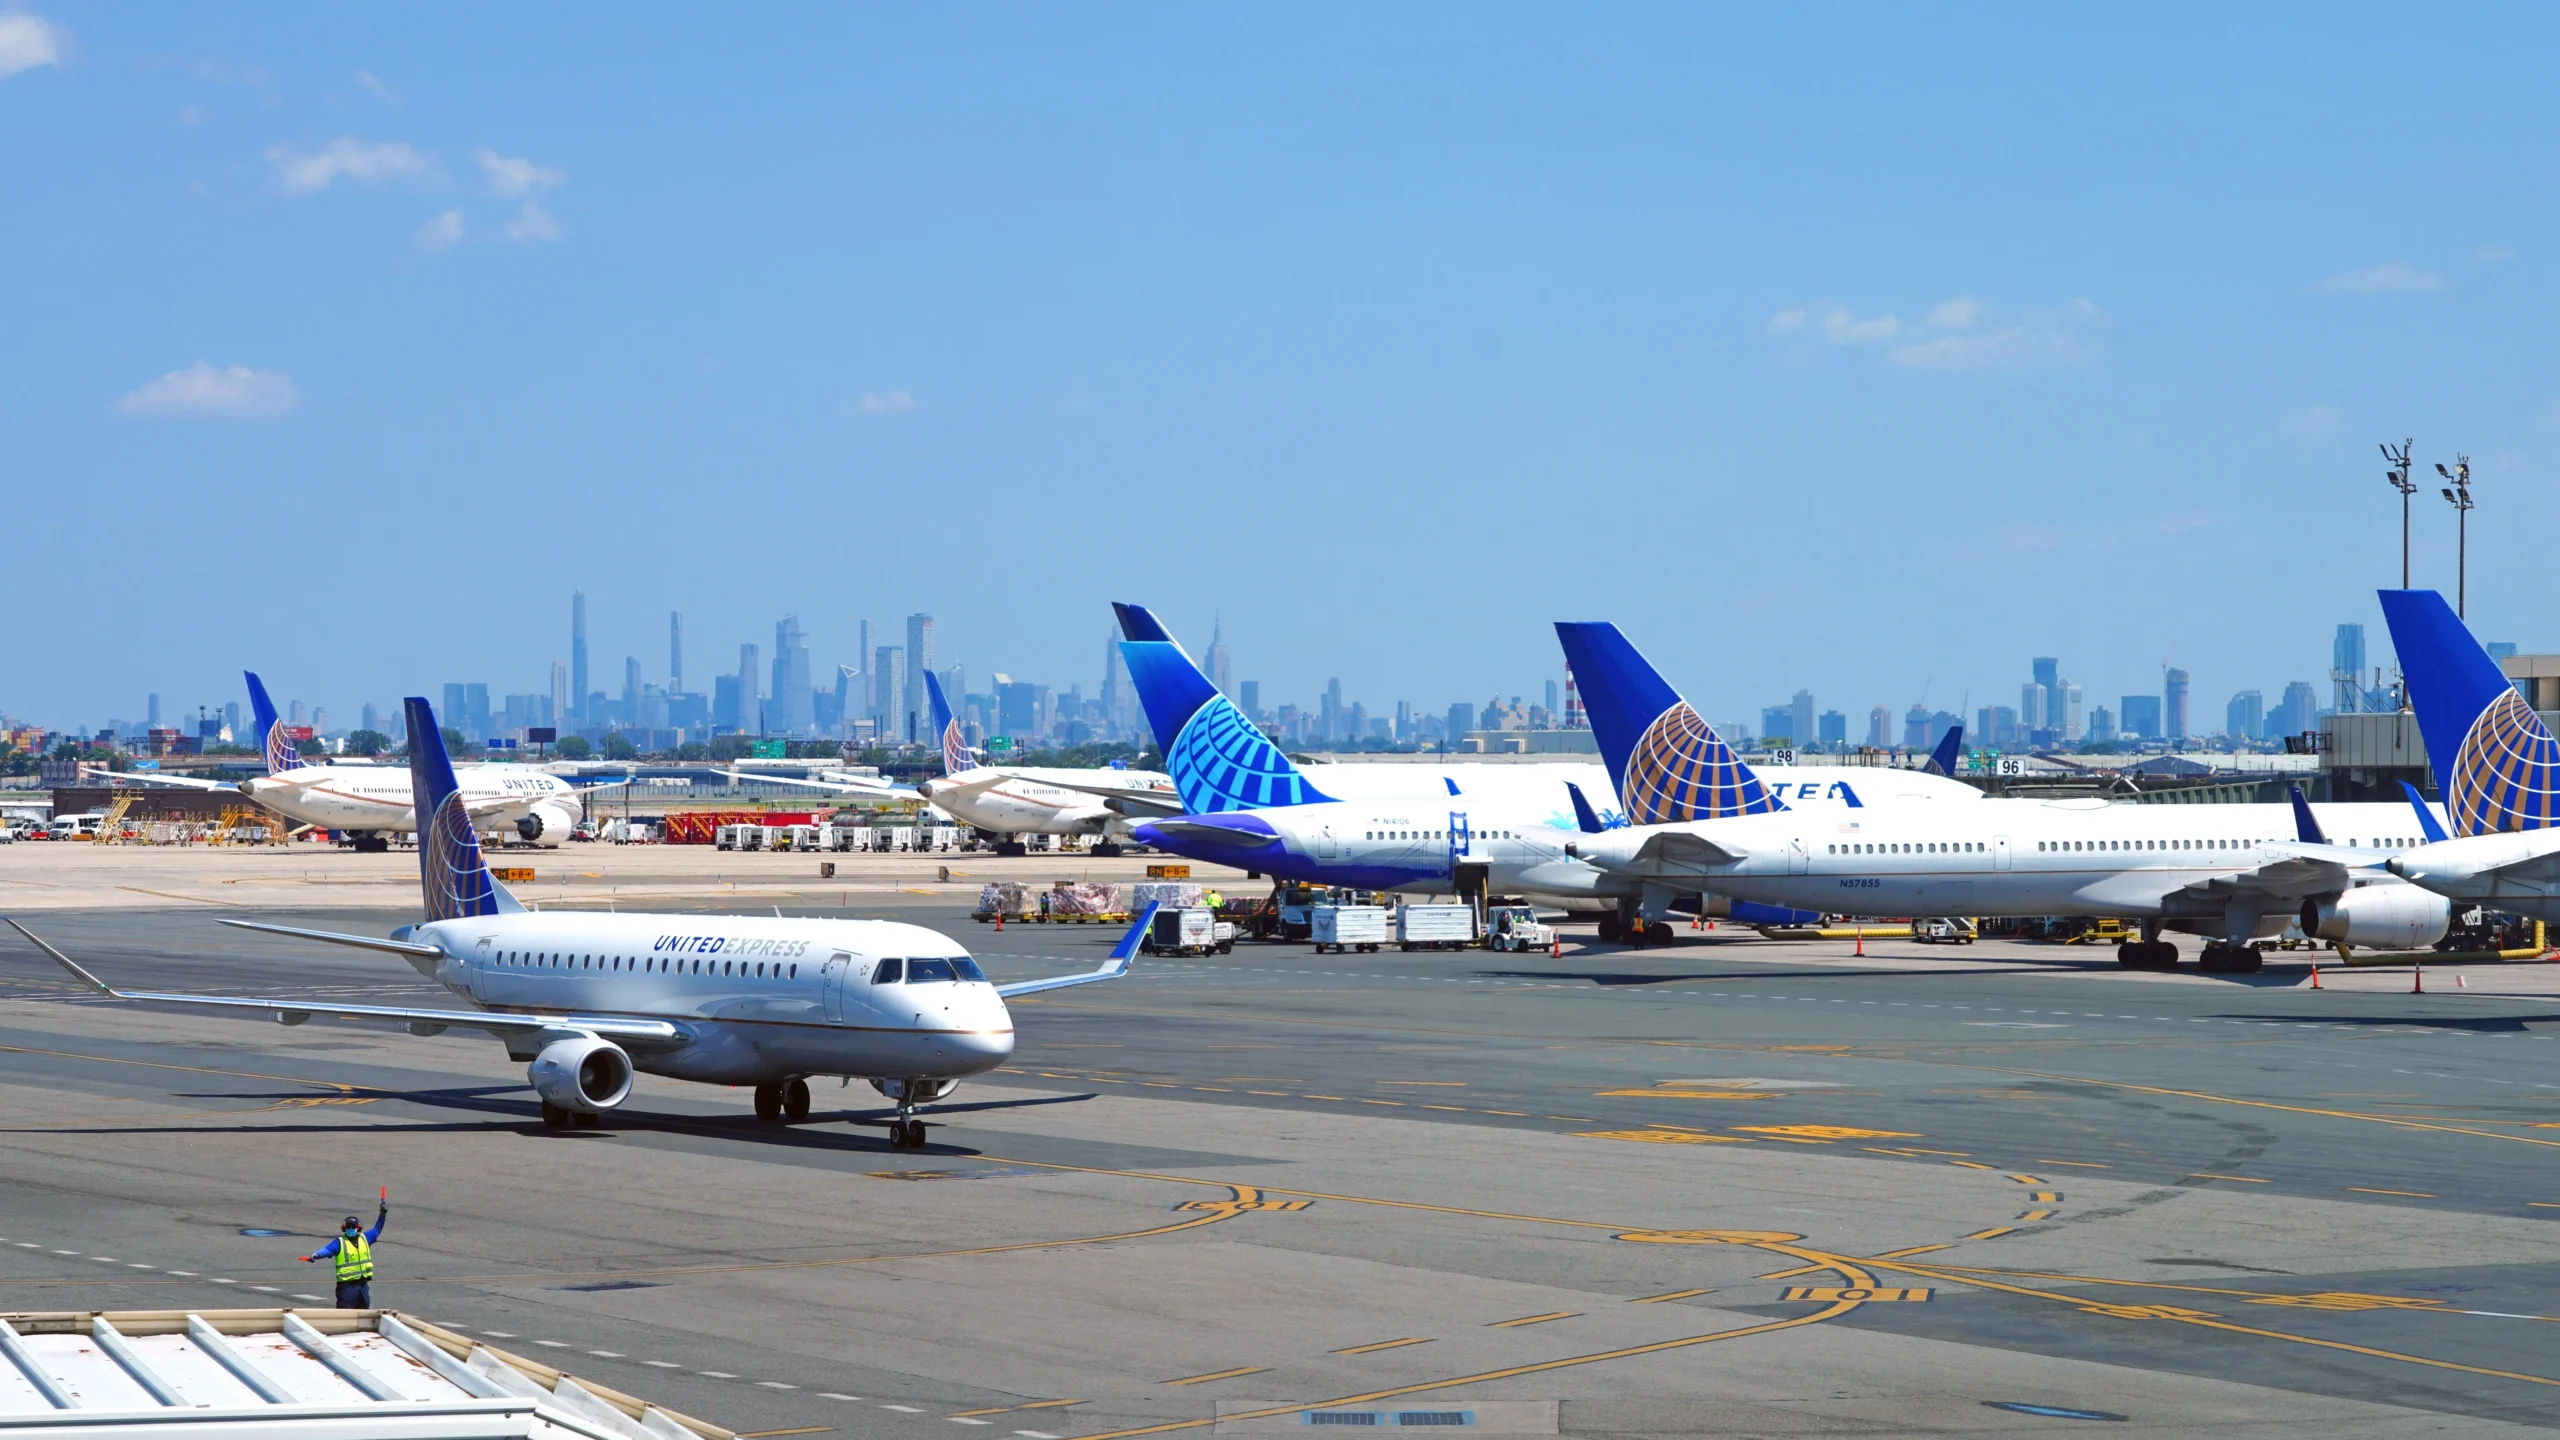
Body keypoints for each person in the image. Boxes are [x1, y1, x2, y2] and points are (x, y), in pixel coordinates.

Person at [303, 1201, 387, 1308]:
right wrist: (315, 1255)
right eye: (348, 1227)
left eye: (353, 1226)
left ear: (358, 1228)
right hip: (347, 1287)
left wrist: (382, 1215)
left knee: (364, 1312)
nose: (350, 1229)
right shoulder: (340, 1242)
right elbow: (327, 1250)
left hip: (362, 1285)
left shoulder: (365, 1238)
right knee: (345, 1312)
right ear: (344, 1228)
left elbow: (377, 1229)